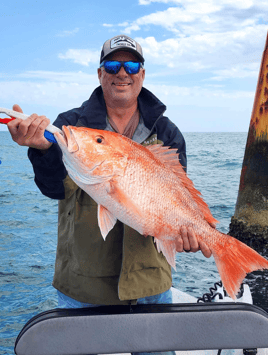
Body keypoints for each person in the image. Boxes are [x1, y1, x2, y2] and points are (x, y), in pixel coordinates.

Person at [8, 34, 212, 355]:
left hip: (151, 285)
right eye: (113, 65)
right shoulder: (72, 124)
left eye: (131, 64)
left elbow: (177, 197)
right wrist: (41, 151)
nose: (122, 72)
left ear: (142, 74)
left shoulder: (168, 132)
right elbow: (53, 188)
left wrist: (185, 233)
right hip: (83, 285)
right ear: (100, 73)